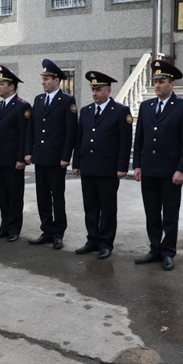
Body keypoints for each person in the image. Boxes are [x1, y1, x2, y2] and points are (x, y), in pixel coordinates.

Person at [133, 59, 183, 271]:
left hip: (171, 172)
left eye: (162, 81)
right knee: (152, 213)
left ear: (172, 84)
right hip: (149, 170)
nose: (158, 85)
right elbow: (140, 138)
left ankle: (168, 251)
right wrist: (138, 165)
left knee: (170, 214)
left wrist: (182, 169)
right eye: (156, 81)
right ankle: (154, 249)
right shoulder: (146, 106)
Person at [72, 71, 132, 260]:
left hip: (108, 168)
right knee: (90, 206)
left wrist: (122, 166)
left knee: (107, 207)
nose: (94, 93)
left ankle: (106, 242)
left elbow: (125, 141)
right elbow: (79, 138)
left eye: (98, 89)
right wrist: (77, 162)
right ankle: (92, 240)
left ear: (108, 90)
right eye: (93, 89)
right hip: (88, 167)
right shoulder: (87, 111)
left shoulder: (121, 111)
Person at [25, 59, 78, 250]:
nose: (43, 82)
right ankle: (46, 230)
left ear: (56, 81)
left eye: (46, 79)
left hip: (56, 159)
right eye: (43, 78)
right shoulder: (38, 100)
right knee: (42, 195)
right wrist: (28, 152)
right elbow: (32, 128)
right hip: (40, 157)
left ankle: (58, 233)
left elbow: (70, 131)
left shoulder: (67, 101)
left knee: (57, 196)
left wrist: (66, 156)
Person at [0, 66, 31, 242]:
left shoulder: (22, 106)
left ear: (12, 87)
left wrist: (21, 157)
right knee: (3, 195)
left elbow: (24, 134)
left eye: (2, 83)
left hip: (14, 160)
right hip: (0, 158)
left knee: (15, 195)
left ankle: (15, 228)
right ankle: (4, 226)